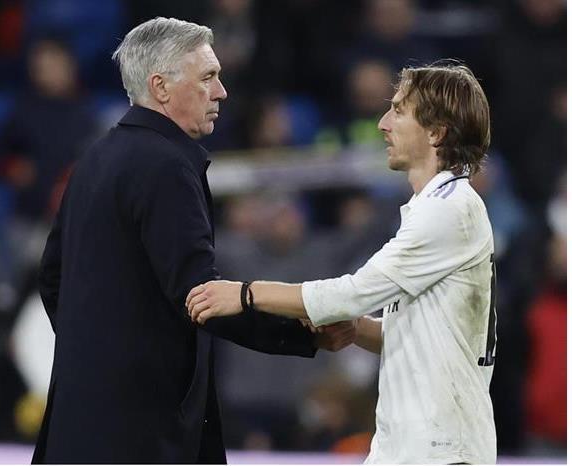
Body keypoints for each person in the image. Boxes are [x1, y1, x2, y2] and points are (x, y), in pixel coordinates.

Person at [32, 17, 354, 464]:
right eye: (207, 77)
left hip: (77, 424)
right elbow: (202, 298)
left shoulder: (94, 158)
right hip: (145, 435)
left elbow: (52, 278)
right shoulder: (166, 166)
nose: (221, 92)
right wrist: (304, 335)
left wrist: (97, 352)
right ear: (160, 87)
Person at [188, 63, 497, 464]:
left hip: (440, 452)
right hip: (415, 448)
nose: (383, 124)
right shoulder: (442, 208)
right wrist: (358, 329)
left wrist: (246, 294)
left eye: (398, 111)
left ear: (436, 132)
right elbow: (425, 338)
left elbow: (350, 294)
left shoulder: (447, 211)